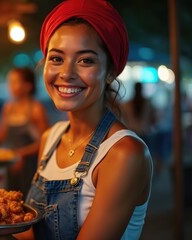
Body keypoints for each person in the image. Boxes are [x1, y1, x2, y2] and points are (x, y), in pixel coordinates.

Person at [16, 1, 153, 239]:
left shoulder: (124, 153)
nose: (66, 73)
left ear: (110, 72)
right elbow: (32, 232)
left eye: (85, 60)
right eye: (56, 58)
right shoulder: (51, 137)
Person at [0, 67, 49, 197]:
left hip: (29, 166)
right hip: (10, 165)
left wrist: (21, 154)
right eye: (9, 82)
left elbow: (46, 141)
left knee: (26, 200)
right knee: (8, 198)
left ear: (28, 86)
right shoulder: (8, 108)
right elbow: (1, 137)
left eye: (15, 82)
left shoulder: (36, 109)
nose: (10, 86)